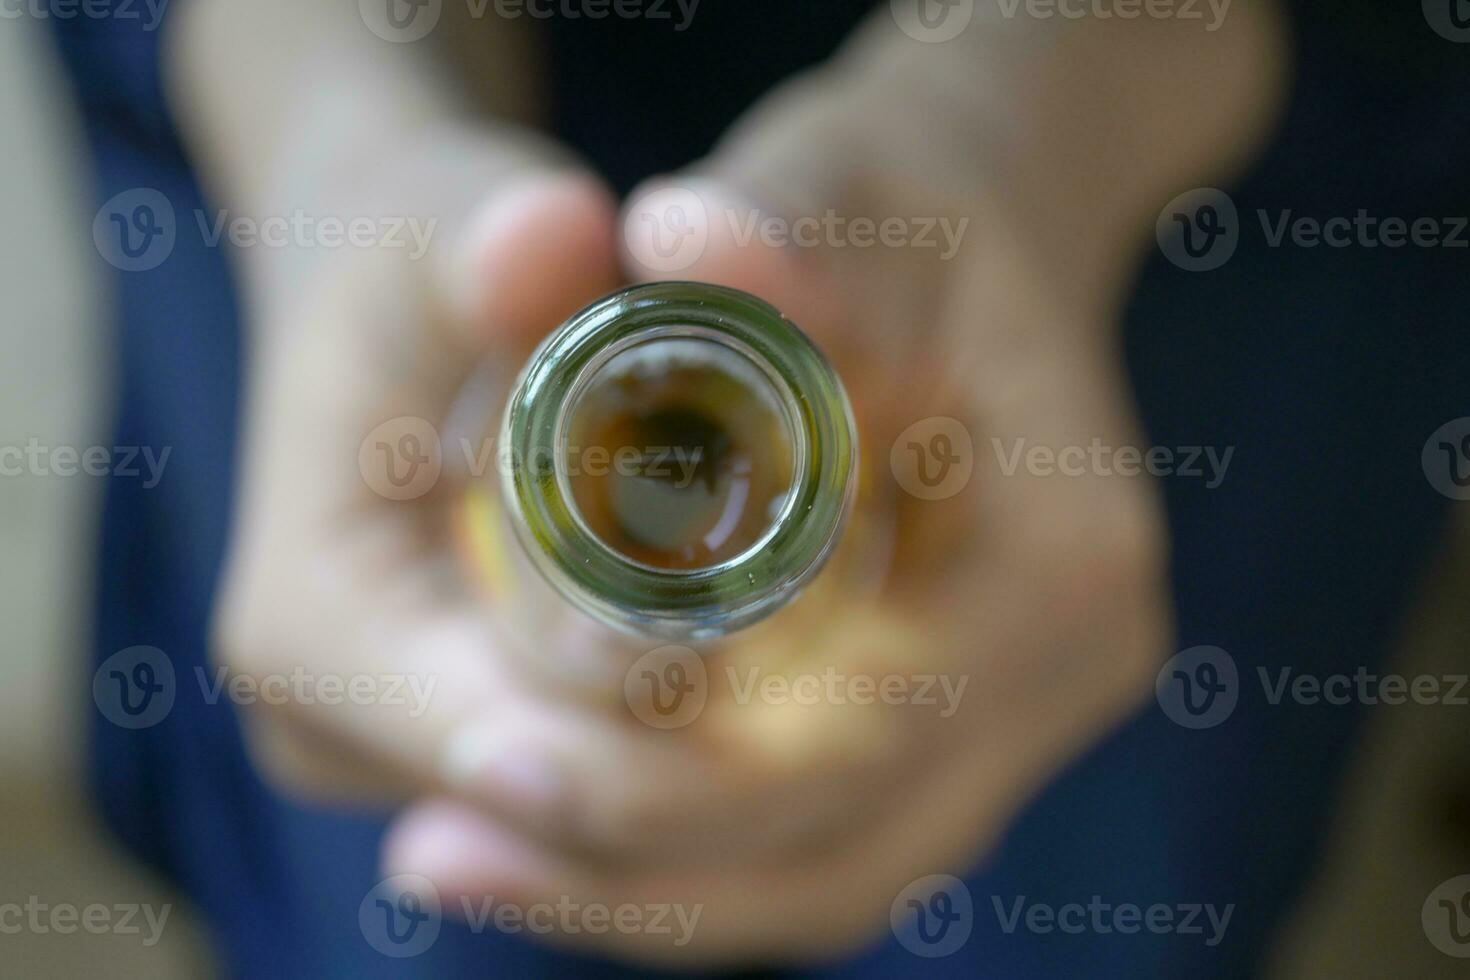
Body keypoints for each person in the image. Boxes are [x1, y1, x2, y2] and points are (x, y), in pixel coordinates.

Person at [53, 1, 1470, 976]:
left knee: (1067, 908)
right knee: (387, 916)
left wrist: (1052, 92)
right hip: (342, 127)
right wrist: (322, 109)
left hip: (1224, 143)